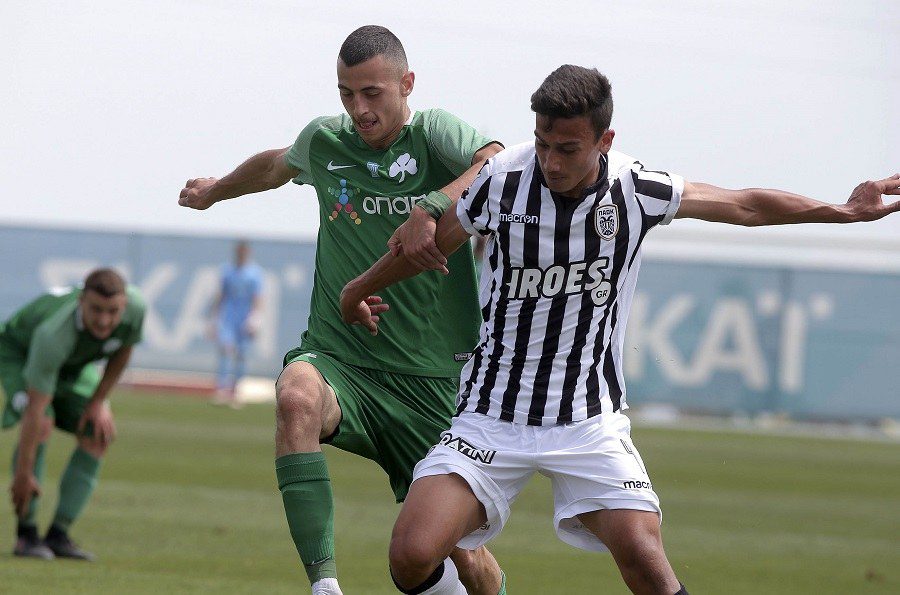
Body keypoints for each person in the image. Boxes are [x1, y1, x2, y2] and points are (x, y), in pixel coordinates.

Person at [339, 64, 900, 595]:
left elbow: (744, 205)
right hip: (491, 416)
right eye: (542, 143)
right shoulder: (502, 181)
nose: (550, 162)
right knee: (411, 553)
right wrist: (356, 289)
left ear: (604, 141)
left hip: (587, 422)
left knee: (645, 558)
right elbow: (429, 247)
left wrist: (845, 211)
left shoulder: (636, 188)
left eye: (567, 149)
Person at [178, 25, 506, 595]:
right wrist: (216, 191)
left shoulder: (433, 134)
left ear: (406, 84)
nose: (360, 109)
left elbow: (497, 161)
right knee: (296, 397)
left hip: (430, 380)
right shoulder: (326, 141)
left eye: (372, 93)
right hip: (341, 358)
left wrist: (431, 205)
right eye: (347, 94)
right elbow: (275, 166)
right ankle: (324, 586)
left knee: (463, 557)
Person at [1, 268, 145, 561]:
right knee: (42, 423)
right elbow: (36, 410)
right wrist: (23, 474)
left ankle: (59, 535)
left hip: (72, 363)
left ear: (124, 305)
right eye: (96, 309)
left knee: (98, 431)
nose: (104, 320)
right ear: (81, 302)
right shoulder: (53, 335)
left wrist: (99, 401)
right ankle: (26, 534)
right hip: (20, 354)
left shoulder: (137, 308)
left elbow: (124, 350)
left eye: (112, 312)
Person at [210, 240, 263, 406]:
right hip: (228, 317)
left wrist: (255, 318)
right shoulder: (227, 271)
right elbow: (221, 295)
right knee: (226, 349)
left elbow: (258, 298)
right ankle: (221, 388)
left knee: (241, 354)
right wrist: (214, 318)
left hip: (244, 319)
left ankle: (236, 389)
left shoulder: (254, 273)